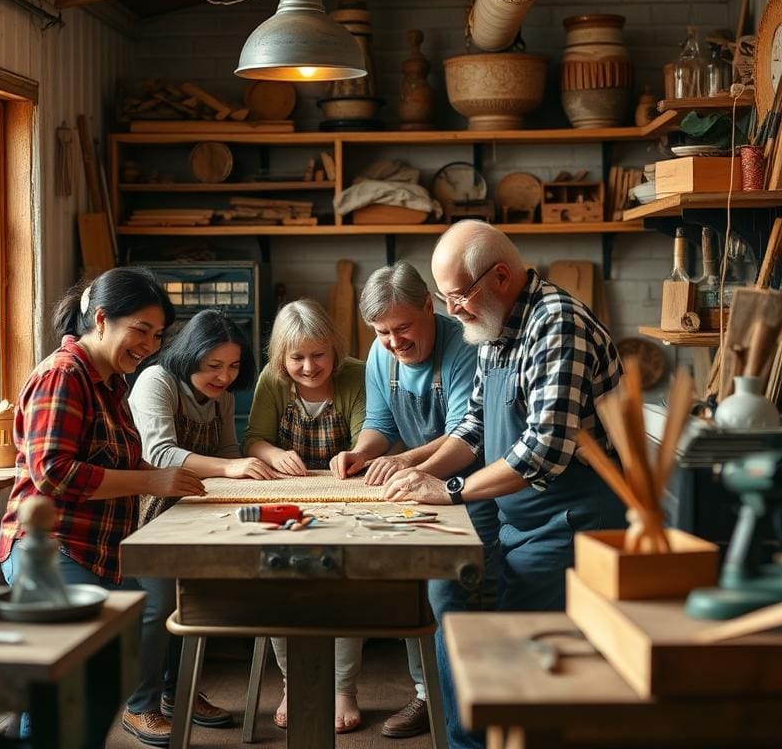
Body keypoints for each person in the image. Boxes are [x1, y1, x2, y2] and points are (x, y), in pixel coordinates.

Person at [382, 220, 628, 749]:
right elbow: (472, 428)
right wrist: (419, 472)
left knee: (528, 678)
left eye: (457, 297)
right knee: (500, 659)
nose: (453, 312)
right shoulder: (496, 326)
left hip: (573, 523)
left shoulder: (557, 325)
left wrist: (448, 491)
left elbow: (542, 451)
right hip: (526, 521)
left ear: (499, 277)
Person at [0, 266, 207, 748]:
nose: (150, 344)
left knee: (107, 672)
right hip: (50, 549)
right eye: (140, 330)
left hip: (95, 549)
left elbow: (117, 466)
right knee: (66, 686)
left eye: (157, 335)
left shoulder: (109, 382)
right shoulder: (63, 375)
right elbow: (54, 472)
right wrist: (153, 478)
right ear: (101, 319)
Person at [328, 260, 488, 740]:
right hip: (418, 492)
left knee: (444, 592)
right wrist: (360, 453)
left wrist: (408, 466)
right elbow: (382, 425)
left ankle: (455, 716)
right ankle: (432, 697)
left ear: (427, 305)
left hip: (471, 491)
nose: (393, 342)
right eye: (381, 333)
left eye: (402, 328)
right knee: (396, 580)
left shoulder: (464, 346)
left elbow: (466, 434)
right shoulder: (382, 357)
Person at [127, 308, 278, 735]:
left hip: (198, 512)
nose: (224, 377)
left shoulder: (223, 398)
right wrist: (231, 470)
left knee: (191, 604)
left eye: (232, 367)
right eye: (213, 366)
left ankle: (181, 693)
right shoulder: (156, 382)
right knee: (158, 608)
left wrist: (255, 473)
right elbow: (159, 455)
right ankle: (140, 704)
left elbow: (231, 451)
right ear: (189, 355)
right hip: (148, 514)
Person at [243, 298, 367, 733]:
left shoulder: (355, 374)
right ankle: (293, 681)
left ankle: (343, 689)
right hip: (288, 497)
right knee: (278, 580)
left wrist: (352, 456)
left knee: (343, 584)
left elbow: (369, 436)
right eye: (297, 358)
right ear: (281, 358)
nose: (310, 367)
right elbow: (254, 439)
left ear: (335, 349)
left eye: (319, 355)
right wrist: (276, 453)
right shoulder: (272, 380)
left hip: (348, 493)